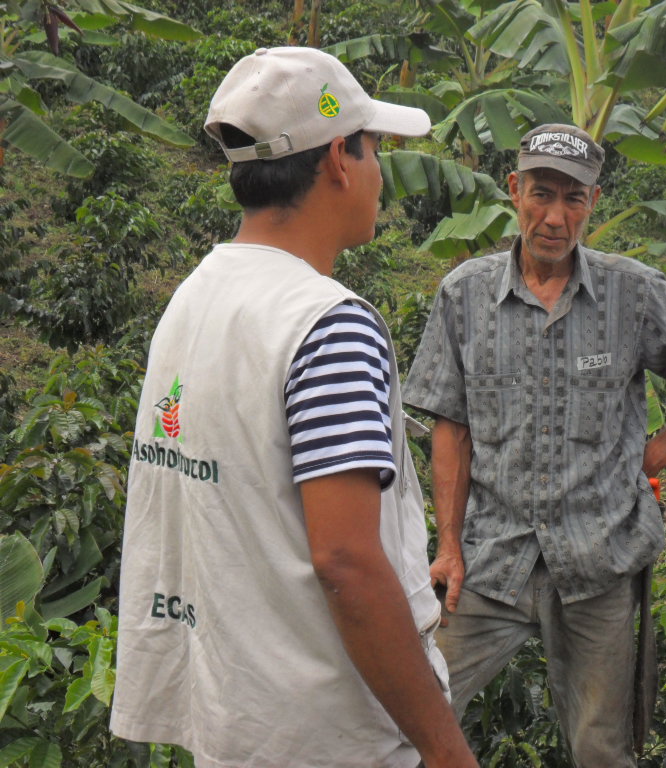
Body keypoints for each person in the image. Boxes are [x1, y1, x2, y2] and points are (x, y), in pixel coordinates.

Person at [109, 47, 478, 768]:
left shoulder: (197, 295)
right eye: (373, 150)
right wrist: (445, 749)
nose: (379, 174)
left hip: (236, 720)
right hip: (326, 737)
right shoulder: (327, 324)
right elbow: (346, 560)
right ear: (339, 157)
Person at [403, 122, 666, 766]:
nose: (555, 218)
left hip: (597, 559)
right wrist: (448, 546)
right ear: (514, 190)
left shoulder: (632, 292)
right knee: (414, 710)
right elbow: (450, 427)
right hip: (489, 562)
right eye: (542, 194)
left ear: (593, 202)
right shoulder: (465, 295)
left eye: (574, 199)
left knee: (600, 748)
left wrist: (657, 453)